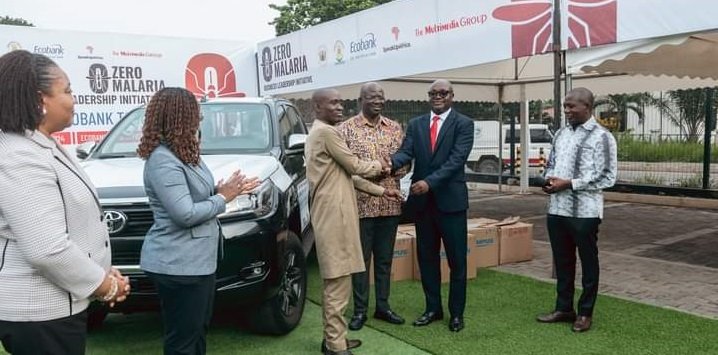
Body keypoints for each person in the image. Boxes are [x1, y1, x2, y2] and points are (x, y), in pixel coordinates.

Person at [0, 50, 130, 354]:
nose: (74, 99)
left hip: (60, 304)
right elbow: (47, 249)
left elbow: (74, 226)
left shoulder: (41, 144)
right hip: (40, 313)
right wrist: (104, 285)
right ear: (39, 99)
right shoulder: (19, 156)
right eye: (68, 90)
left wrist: (102, 272)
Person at [137, 87, 259, 355]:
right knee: (183, 341)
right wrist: (223, 199)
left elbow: (193, 195)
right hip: (178, 265)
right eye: (196, 114)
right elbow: (185, 214)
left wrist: (225, 189)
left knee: (197, 332)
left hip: (196, 262)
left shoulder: (183, 154)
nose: (200, 119)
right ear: (179, 117)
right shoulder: (162, 161)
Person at [305, 88, 392, 355]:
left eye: (341, 102)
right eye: (333, 103)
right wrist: (381, 165)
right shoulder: (327, 133)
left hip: (332, 212)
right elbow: (355, 166)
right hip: (335, 215)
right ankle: (335, 345)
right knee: (338, 281)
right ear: (318, 107)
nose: (340, 107)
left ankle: (335, 339)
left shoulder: (318, 132)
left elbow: (347, 175)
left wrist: (382, 191)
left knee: (337, 279)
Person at [390, 79, 474, 332]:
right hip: (423, 205)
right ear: (428, 96)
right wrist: (389, 163)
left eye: (443, 93)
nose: (438, 96)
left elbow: (456, 160)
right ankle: (433, 309)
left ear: (452, 96)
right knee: (426, 259)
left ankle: (456, 314)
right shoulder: (416, 124)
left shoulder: (464, 124)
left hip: (451, 204)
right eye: (433, 93)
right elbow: (407, 152)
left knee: (457, 261)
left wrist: (428, 182)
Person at [536, 87, 617, 332]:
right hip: (557, 208)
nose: (567, 110)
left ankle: (585, 313)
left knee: (588, 263)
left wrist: (569, 183)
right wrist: (549, 181)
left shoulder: (603, 137)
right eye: (565, 106)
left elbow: (607, 177)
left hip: (585, 213)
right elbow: (551, 165)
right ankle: (564, 308)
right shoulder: (560, 134)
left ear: (588, 107)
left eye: (572, 106)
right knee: (562, 262)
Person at [338, 82, 406, 331]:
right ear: (361, 100)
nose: (378, 101)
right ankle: (359, 311)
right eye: (372, 97)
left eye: (381, 97)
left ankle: (383, 307)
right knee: (360, 261)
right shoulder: (345, 129)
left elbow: (405, 162)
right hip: (360, 206)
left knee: (385, 260)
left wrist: (390, 168)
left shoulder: (395, 128)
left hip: (390, 205)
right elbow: (347, 167)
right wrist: (375, 171)